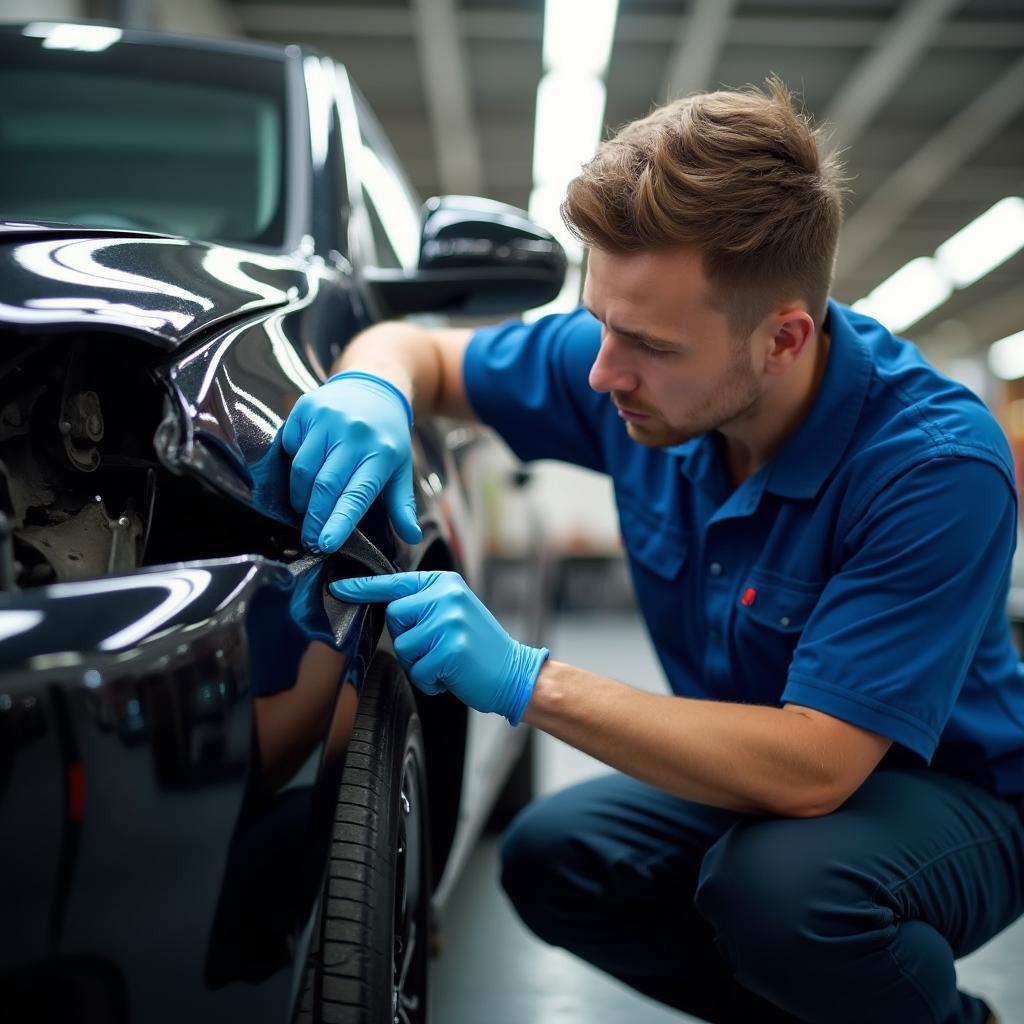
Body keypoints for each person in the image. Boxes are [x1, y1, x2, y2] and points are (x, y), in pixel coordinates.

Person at [281, 78, 1024, 1023]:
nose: (601, 372)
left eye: (646, 344)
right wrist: (371, 391)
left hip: (951, 796)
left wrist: (523, 678)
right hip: (761, 764)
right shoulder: (638, 369)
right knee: (557, 862)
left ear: (784, 339)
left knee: (786, 897)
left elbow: (815, 767)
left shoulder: (933, 465)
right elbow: (414, 349)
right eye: (598, 322)